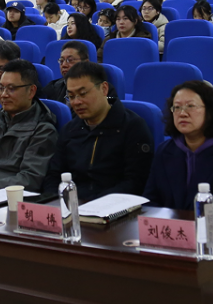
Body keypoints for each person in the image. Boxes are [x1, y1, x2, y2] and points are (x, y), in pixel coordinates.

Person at [43, 61, 154, 201]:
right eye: (71, 96)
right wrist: (55, 201)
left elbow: (135, 182)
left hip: (114, 206)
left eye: (83, 94)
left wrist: (93, 204)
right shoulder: (70, 129)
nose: (76, 102)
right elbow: (53, 176)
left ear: (104, 89)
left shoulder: (133, 127)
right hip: (72, 205)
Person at [144, 82, 213, 213]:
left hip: (212, 224)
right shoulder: (165, 150)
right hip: (167, 224)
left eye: (190, 106)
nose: (182, 113)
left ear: (210, 111)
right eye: (177, 107)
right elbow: (150, 200)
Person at [0, 59, 58, 191]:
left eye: (11, 89)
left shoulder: (43, 130)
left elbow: (29, 179)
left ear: (31, 91)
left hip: (9, 196)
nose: (3, 95)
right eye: (1, 88)